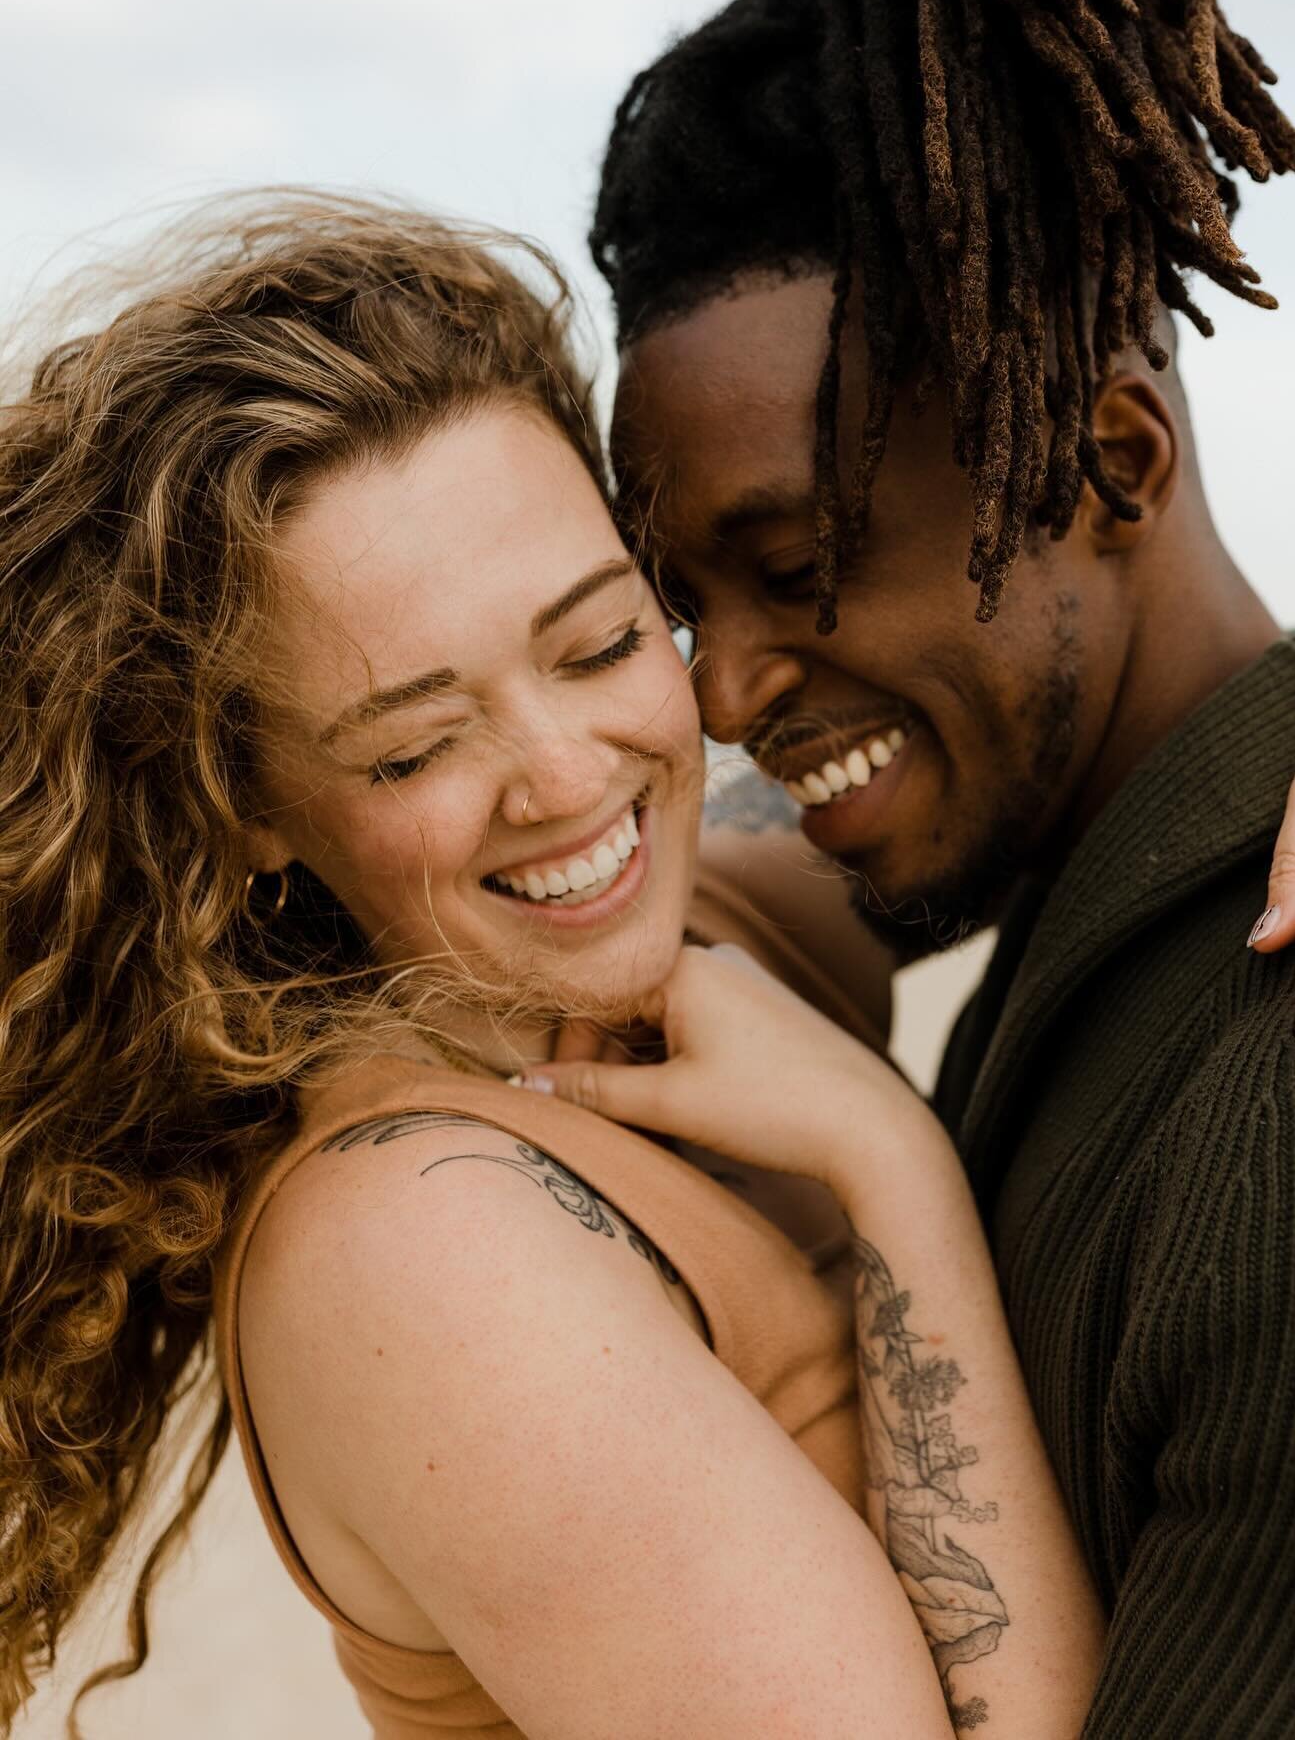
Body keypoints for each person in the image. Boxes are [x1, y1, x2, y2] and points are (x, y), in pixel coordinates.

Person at [0, 193, 1121, 1740]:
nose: (567, 779)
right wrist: (892, 1161)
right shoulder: (419, 1255)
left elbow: (1071, 769)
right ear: (253, 811)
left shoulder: (710, 936)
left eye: (599, 646)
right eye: (414, 747)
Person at [551, 0, 1295, 1732]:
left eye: (797, 569)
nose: (718, 696)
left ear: (1114, 460)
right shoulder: (1092, 887)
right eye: (676, 603)